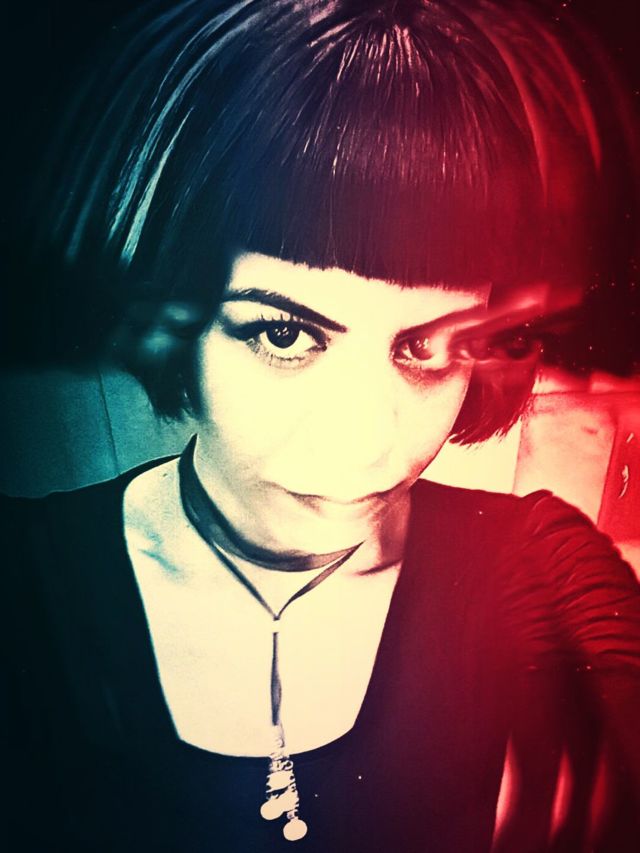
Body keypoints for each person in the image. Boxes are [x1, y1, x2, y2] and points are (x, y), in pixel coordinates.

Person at [3, 1, 640, 851]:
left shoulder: (538, 568)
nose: (365, 443)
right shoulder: (27, 588)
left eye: (428, 347)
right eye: (284, 334)